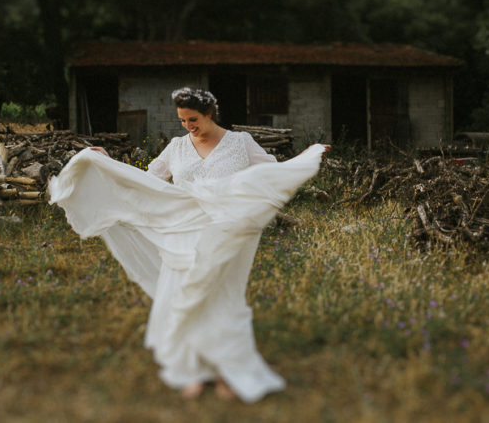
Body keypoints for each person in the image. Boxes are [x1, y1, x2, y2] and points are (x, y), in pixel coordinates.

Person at [48, 87, 329, 402]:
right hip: (181, 234)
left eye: (192, 119)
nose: (187, 126)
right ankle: (192, 370)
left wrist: (309, 156)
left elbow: (270, 172)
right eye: (182, 120)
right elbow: (147, 180)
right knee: (182, 298)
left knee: (222, 300)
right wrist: (107, 163)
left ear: (209, 113)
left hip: (224, 234)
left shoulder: (240, 144)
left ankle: (227, 371)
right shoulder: (177, 147)